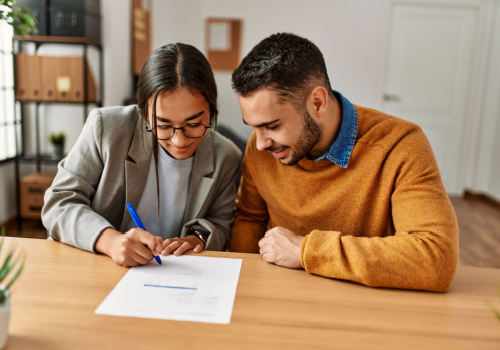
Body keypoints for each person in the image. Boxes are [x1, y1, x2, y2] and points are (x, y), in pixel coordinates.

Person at [229, 32, 458, 292]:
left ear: (317, 102)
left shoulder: (400, 145)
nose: (259, 143)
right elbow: (249, 218)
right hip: (281, 298)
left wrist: (307, 250)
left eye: (272, 126)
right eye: (253, 127)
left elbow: (435, 258)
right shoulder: (263, 148)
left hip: (366, 305)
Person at [42, 43, 242, 267]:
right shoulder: (106, 128)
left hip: (170, 276)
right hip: (94, 268)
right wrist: (111, 241)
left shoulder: (226, 156)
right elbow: (58, 202)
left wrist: (197, 239)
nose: (179, 140)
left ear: (212, 112)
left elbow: (220, 225)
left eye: (194, 124)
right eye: (163, 125)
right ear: (144, 114)